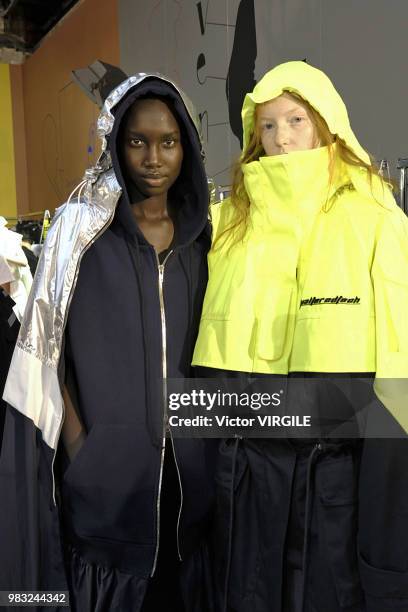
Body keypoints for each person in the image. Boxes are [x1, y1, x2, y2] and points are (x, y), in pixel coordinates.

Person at [192, 61, 408, 611]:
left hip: (331, 475)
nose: (282, 139)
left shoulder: (374, 214)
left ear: (326, 124)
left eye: (295, 120)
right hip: (243, 473)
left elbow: (398, 363)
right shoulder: (229, 223)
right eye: (267, 126)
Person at [0, 73, 216, 611]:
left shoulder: (202, 240)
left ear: (186, 148)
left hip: (191, 493)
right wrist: (81, 447)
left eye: (168, 142)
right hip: (106, 501)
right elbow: (46, 355)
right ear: (116, 143)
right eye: (138, 141)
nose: (153, 158)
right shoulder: (79, 232)